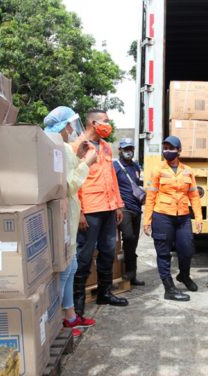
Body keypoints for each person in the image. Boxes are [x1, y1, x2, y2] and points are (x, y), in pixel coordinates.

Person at [43, 106, 98, 337]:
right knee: (66, 268)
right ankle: (64, 318)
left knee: (71, 265)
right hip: (65, 213)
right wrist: (87, 162)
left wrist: (77, 157)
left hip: (66, 213)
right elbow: (68, 184)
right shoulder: (61, 146)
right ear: (65, 125)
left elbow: (64, 173)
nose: (71, 129)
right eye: (70, 124)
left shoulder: (56, 145)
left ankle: (70, 316)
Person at [72, 109, 128, 317]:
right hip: (90, 209)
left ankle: (105, 293)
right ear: (92, 123)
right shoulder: (78, 146)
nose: (108, 124)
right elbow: (74, 179)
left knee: (108, 251)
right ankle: (78, 303)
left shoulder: (105, 147)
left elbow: (111, 176)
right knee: (84, 255)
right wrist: (79, 212)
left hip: (108, 208)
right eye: (105, 121)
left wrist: (118, 205)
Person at [143, 136, 203, 301]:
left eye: (171, 148)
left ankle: (184, 275)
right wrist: (147, 220)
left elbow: (194, 196)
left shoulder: (188, 171)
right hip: (162, 216)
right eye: (165, 148)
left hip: (183, 216)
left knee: (187, 249)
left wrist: (198, 217)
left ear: (179, 150)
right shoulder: (157, 170)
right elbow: (150, 196)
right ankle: (169, 288)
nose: (167, 151)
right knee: (163, 253)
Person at [113, 137, 145, 286]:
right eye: (126, 149)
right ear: (120, 150)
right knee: (129, 237)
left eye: (131, 149)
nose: (128, 152)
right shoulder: (115, 166)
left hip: (136, 209)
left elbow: (137, 185)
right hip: (123, 208)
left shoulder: (136, 167)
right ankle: (127, 271)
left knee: (134, 242)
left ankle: (132, 275)